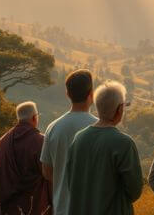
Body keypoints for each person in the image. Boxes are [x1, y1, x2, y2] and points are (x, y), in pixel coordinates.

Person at [66, 81, 143, 215]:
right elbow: (135, 191)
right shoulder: (124, 143)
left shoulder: (78, 139)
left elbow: (70, 181)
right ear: (119, 110)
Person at [40, 69, 97, 215]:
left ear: (67, 94)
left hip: (62, 208)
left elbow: (46, 171)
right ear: (91, 94)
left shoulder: (53, 127)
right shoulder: (100, 128)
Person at [0, 101, 51, 215]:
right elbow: (48, 174)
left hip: (6, 207)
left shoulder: (2, 142)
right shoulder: (40, 141)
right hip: (33, 206)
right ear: (34, 118)